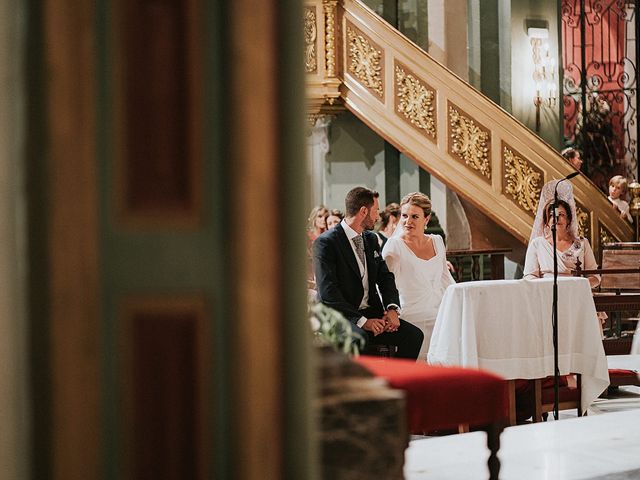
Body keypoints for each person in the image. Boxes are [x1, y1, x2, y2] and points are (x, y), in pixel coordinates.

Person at [313, 187, 424, 359]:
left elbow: (385, 277)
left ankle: (393, 381)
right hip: (339, 315)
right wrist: (363, 322)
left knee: (414, 336)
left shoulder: (371, 239)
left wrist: (392, 308)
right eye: (376, 210)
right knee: (360, 339)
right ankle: (363, 385)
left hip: (370, 311)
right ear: (364, 211)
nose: (378, 216)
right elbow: (329, 293)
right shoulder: (326, 243)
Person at [382, 192, 455, 360]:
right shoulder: (394, 246)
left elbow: (446, 279)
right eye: (405, 216)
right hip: (412, 314)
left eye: (415, 216)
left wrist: (454, 305)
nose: (408, 221)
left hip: (440, 311)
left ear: (426, 220)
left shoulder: (437, 241)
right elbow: (386, 285)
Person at [523, 180, 600, 288]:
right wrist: (548, 287)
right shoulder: (537, 244)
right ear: (546, 221)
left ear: (568, 220)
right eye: (551, 215)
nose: (556, 218)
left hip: (576, 296)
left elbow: (595, 278)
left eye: (561, 214)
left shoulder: (582, 243)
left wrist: (576, 286)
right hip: (547, 296)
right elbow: (529, 276)